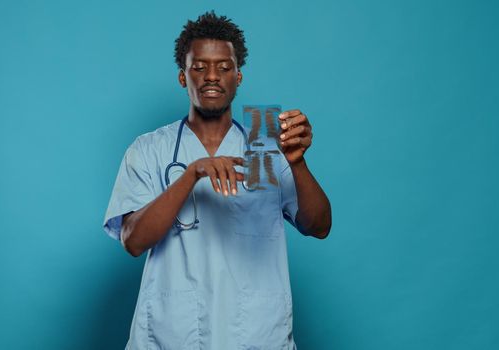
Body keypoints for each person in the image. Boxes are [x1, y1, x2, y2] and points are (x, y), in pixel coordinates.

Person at [103, 11, 332, 349]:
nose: (212, 76)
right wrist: (192, 173)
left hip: (253, 332)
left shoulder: (261, 148)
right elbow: (133, 241)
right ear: (183, 77)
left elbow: (319, 226)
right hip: (175, 334)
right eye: (199, 67)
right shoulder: (150, 149)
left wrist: (297, 164)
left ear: (238, 77)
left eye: (224, 67)